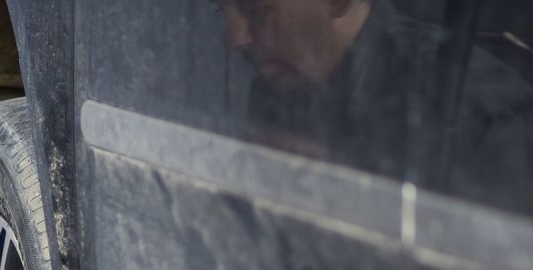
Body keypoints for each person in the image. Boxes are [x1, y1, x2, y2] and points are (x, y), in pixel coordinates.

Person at [218, 0, 533, 214]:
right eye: (223, 9)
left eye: (255, 9)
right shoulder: (278, 92)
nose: (234, 38)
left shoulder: (476, 111)